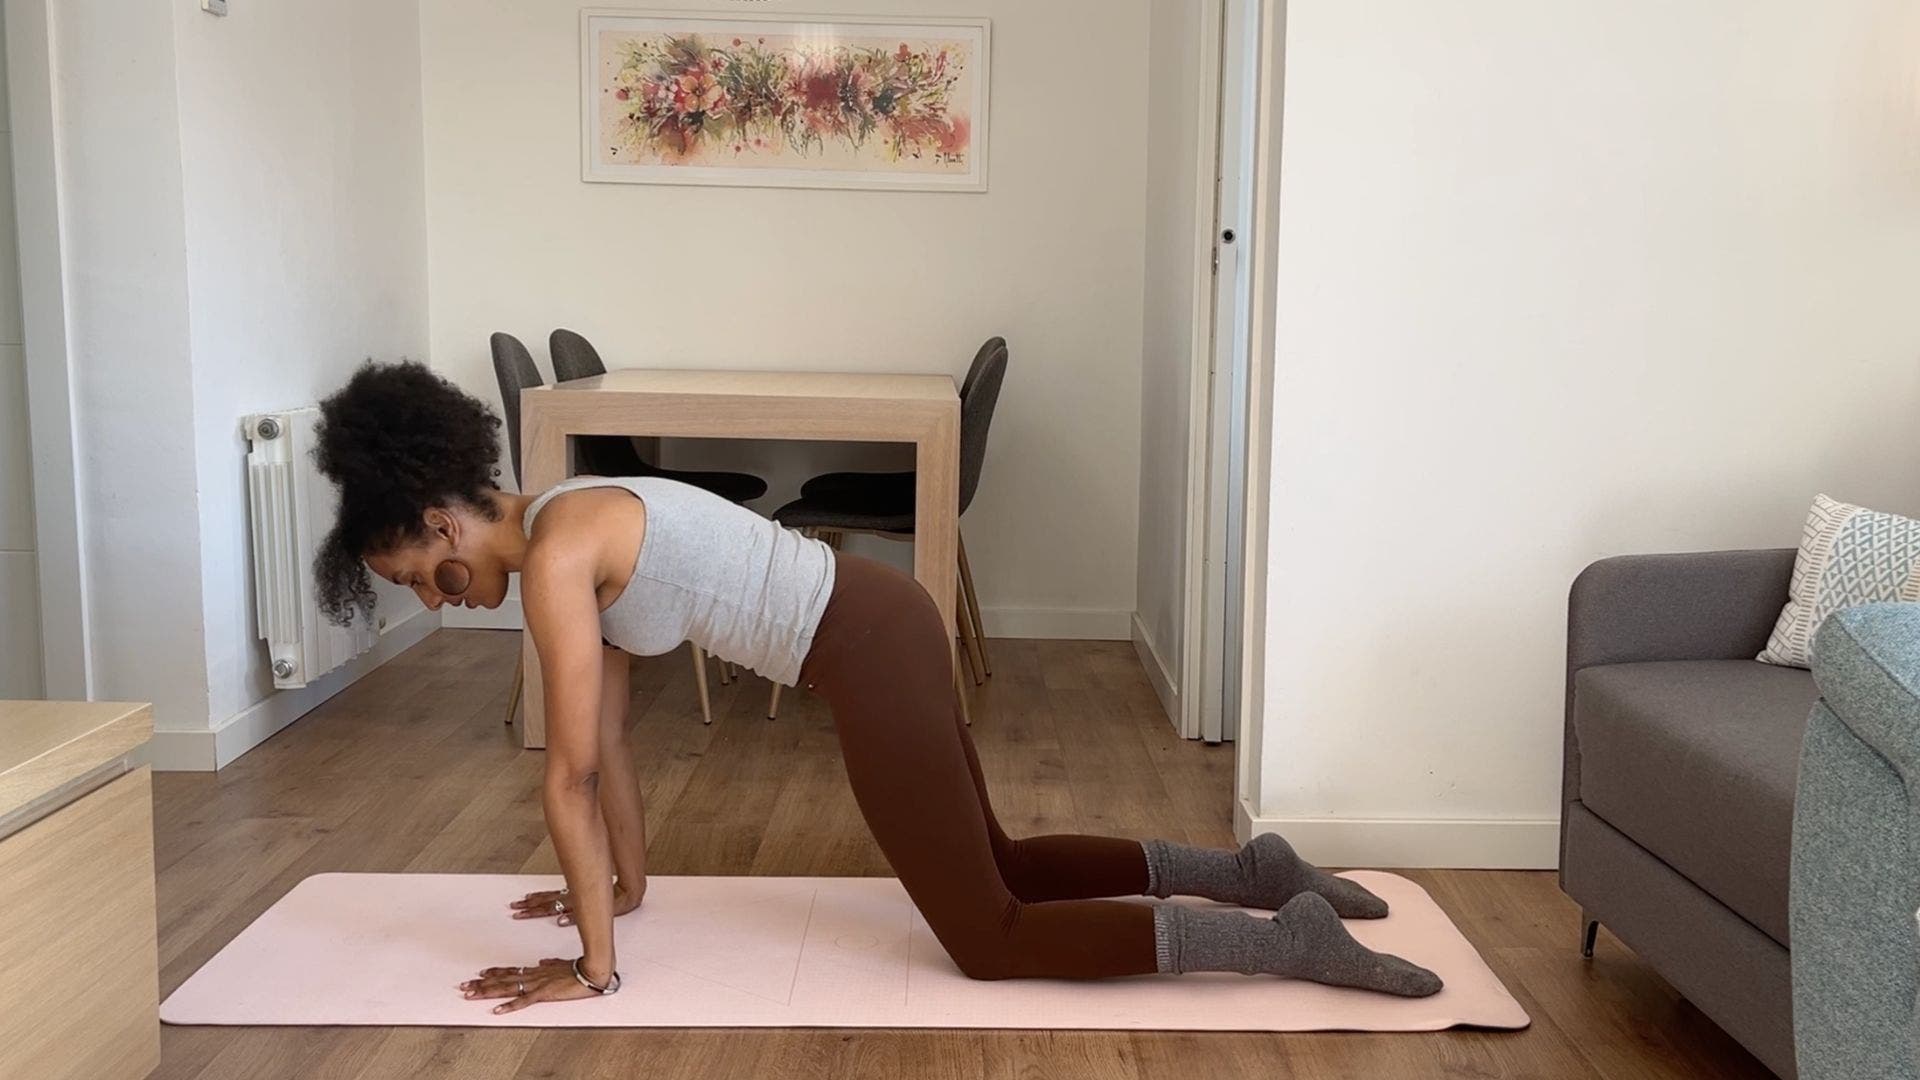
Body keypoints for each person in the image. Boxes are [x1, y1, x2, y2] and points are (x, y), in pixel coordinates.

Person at [312, 361, 1442, 1014]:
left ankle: (1277, 941)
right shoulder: (570, 525)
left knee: (988, 936)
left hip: (867, 647)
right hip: (875, 625)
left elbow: (565, 777)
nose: (434, 598)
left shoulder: (559, 554)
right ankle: (1251, 873)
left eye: (421, 573)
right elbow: (605, 750)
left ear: (439, 514)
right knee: (996, 865)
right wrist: (628, 889)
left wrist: (591, 971)